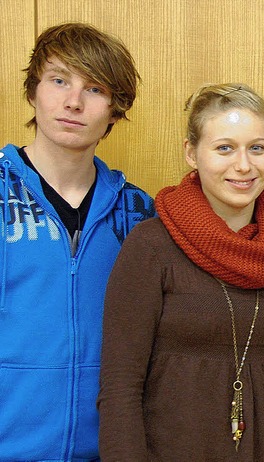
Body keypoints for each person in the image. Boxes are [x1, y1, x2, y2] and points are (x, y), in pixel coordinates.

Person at [97, 83, 264, 461]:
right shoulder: (151, 246)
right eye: (224, 148)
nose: (243, 165)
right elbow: (120, 387)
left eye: (257, 147)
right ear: (192, 153)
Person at [0, 23, 154, 460]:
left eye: (95, 88)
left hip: (106, 450)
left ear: (115, 108)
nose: (73, 101)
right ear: (33, 91)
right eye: (59, 80)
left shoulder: (140, 213)